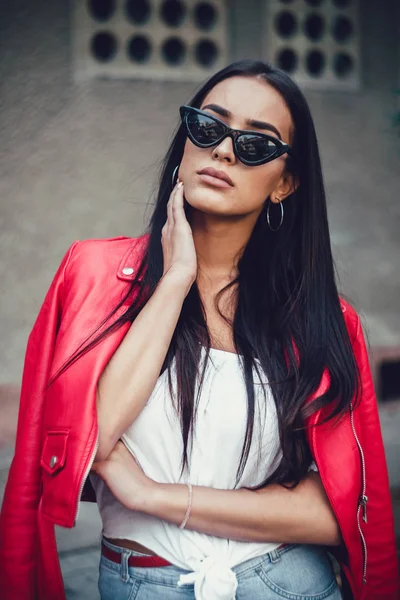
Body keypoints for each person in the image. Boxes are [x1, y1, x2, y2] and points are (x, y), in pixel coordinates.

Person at [0, 60, 398, 600]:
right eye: (209, 128)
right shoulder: (90, 274)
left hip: (289, 583)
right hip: (145, 584)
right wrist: (176, 281)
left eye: (256, 144)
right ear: (186, 142)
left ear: (284, 183)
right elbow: (83, 444)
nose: (226, 150)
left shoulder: (321, 319)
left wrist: (151, 494)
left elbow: (335, 514)